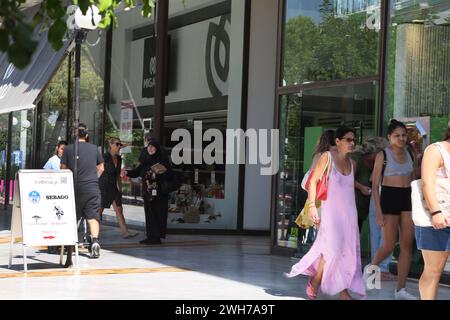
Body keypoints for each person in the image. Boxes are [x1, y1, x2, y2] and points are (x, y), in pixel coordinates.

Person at [286, 127, 366, 300]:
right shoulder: (327, 157)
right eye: (348, 139)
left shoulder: (353, 164)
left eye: (353, 140)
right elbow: (313, 181)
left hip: (349, 214)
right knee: (333, 249)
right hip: (331, 213)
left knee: (347, 251)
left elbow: (348, 186)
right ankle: (320, 283)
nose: (352, 143)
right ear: (337, 141)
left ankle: (341, 290)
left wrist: (362, 188)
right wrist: (313, 208)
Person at [365, 119, 418, 300]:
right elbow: (374, 185)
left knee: (406, 246)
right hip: (388, 198)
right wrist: (378, 212)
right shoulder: (383, 155)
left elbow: (414, 178)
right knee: (388, 246)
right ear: (389, 137)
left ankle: (400, 289)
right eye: (397, 135)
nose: (401, 138)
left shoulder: (410, 152)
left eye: (403, 135)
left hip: (407, 198)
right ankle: (371, 270)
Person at [61, 123, 104, 267]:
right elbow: (101, 167)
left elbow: (63, 169)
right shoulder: (94, 149)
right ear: (86, 135)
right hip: (92, 186)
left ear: (75, 135)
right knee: (92, 217)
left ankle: (70, 249)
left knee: (73, 218)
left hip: (75, 188)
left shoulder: (68, 149)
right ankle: (95, 242)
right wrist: (94, 177)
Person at [416, 127, 450, 300]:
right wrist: (436, 212)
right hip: (436, 220)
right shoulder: (436, 150)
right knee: (433, 271)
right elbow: (427, 184)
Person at [123, 137, 172, 245]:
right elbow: (137, 171)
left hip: (159, 193)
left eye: (153, 147)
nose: (150, 149)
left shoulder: (162, 159)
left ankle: (156, 237)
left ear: (157, 148)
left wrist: (158, 174)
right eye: (149, 147)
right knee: (149, 214)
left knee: (158, 214)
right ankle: (150, 236)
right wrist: (127, 173)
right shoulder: (146, 160)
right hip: (148, 192)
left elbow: (169, 174)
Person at [98, 137, 138, 239]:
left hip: (113, 186)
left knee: (119, 209)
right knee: (100, 210)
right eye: (117, 144)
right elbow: (98, 170)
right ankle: (93, 233)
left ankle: (126, 232)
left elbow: (117, 175)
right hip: (104, 185)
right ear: (110, 144)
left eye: (120, 145)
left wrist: (119, 187)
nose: (119, 146)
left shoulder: (119, 158)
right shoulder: (104, 156)